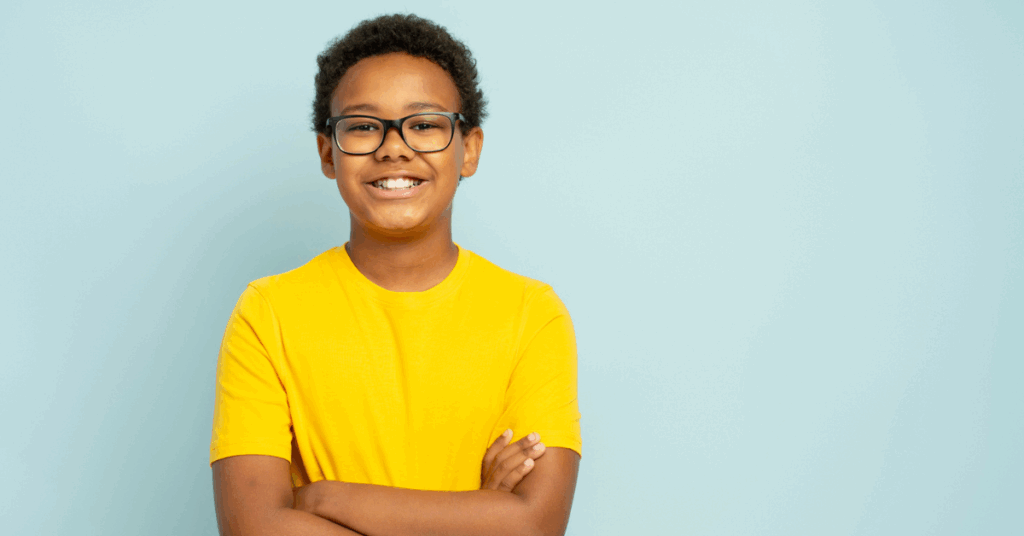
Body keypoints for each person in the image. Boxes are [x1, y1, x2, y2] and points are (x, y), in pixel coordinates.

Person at [209, 13, 581, 536]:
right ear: (327, 152)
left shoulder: (530, 314)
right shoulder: (268, 312)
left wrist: (321, 499)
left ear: (468, 148)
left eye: (424, 124)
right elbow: (254, 528)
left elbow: (535, 526)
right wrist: (475, 515)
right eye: (362, 126)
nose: (393, 147)